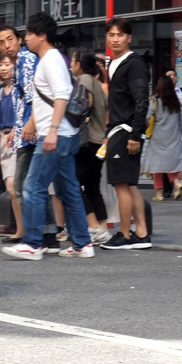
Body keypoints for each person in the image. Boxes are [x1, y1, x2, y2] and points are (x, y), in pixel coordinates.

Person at [1, 12, 93, 260]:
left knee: (32, 187)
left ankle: (33, 243)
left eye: (30, 33)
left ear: (42, 35)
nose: (26, 38)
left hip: (56, 135)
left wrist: (51, 131)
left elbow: (62, 95)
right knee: (68, 189)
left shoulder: (50, 60)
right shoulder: (51, 59)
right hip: (64, 134)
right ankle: (83, 243)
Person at [0, 24, 58, 249]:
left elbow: (33, 96)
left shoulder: (27, 60)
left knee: (21, 186)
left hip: (31, 131)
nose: (6, 45)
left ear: (19, 39)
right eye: (1, 42)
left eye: (10, 39)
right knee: (34, 186)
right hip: (25, 132)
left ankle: (34, 238)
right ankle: (47, 235)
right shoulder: (21, 62)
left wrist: (29, 125)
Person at [100, 17, 151, 250]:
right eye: (111, 35)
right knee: (129, 185)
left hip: (128, 130)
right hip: (118, 131)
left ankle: (125, 234)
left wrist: (135, 134)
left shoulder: (135, 63)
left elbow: (142, 100)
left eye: (120, 34)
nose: (115, 39)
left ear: (129, 37)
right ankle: (141, 233)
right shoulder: (112, 63)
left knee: (121, 185)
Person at [71, 49, 110, 243]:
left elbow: (85, 105)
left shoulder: (84, 80)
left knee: (73, 182)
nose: (70, 64)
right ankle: (103, 227)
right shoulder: (98, 82)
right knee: (93, 186)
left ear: (78, 64)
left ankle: (92, 225)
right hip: (100, 140)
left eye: (72, 60)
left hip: (88, 142)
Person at [0, 52, 22, 238]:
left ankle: (23, 229)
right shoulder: (1, 92)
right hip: (4, 140)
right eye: (1, 64)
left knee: (13, 187)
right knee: (11, 188)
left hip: (18, 139)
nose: (3, 68)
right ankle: (20, 229)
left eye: (8, 64)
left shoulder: (19, 89)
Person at [145, 76, 182, 202]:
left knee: (157, 166)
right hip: (173, 135)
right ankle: (176, 182)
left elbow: (148, 117)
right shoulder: (175, 101)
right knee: (171, 164)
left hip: (157, 137)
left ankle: (159, 193)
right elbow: (180, 121)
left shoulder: (155, 101)